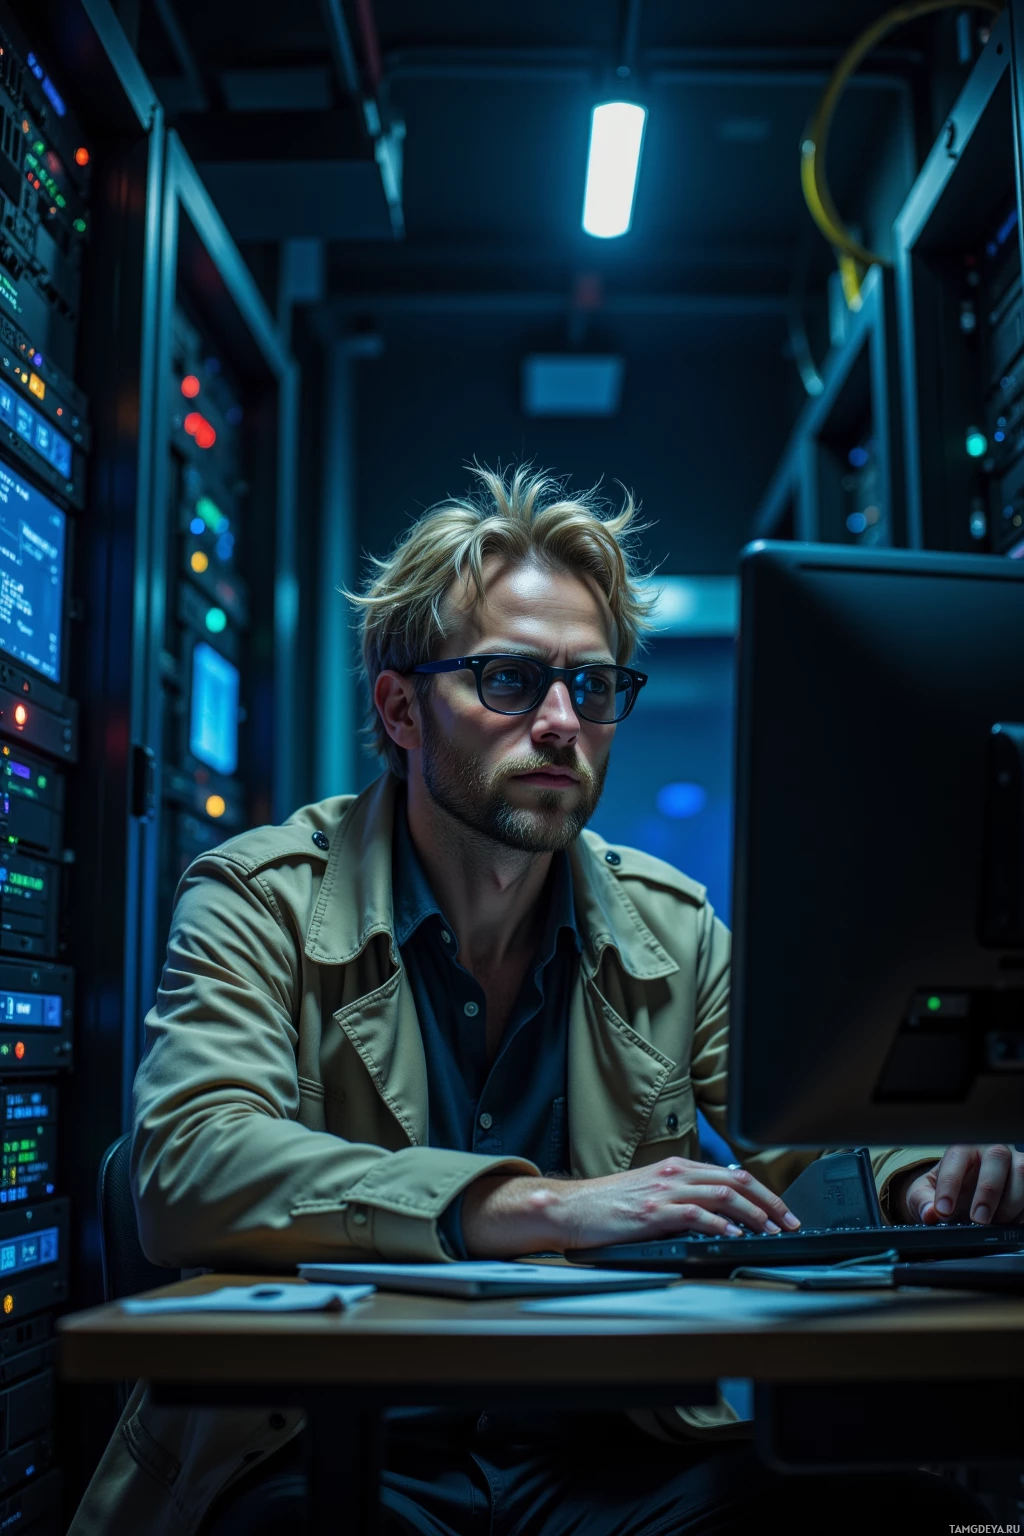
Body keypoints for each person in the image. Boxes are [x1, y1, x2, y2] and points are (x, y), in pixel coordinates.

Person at [69, 465, 1015, 1536]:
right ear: (400, 707)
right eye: (510, 682)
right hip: (332, 1446)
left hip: (615, 1455)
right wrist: (537, 1207)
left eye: (594, 686)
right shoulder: (258, 897)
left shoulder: (674, 924)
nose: (563, 721)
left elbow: (800, 1137)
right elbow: (190, 1166)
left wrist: (924, 1178)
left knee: (912, 1520)